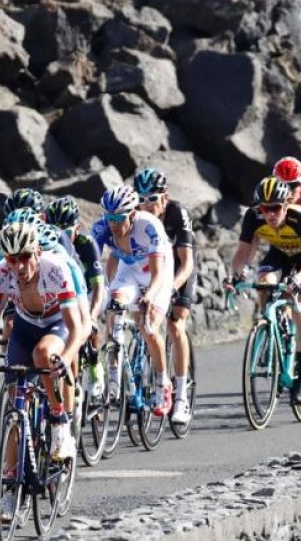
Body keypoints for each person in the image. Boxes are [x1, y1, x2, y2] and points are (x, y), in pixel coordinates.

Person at [0, 221, 84, 472]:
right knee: (16, 403)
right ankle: (10, 481)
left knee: (42, 353)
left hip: (57, 324)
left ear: (38, 252)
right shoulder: (0, 274)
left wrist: (64, 358)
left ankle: (59, 420)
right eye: (12, 259)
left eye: (25, 257)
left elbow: (76, 329)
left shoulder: (55, 269)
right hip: (26, 326)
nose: (19, 267)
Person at [226, 176, 301, 406]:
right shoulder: (253, 217)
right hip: (279, 253)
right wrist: (235, 276)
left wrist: (296, 280)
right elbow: (243, 252)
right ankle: (271, 324)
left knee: (299, 312)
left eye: (276, 208)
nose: (270, 214)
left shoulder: (300, 219)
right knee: (264, 280)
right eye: (265, 209)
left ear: (286, 205)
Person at [91, 185, 176, 417]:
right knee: (114, 308)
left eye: (118, 218)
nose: (113, 224)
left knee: (148, 327)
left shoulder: (149, 226)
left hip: (157, 272)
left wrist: (148, 296)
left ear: (132, 213)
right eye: (109, 218)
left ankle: (163, 383)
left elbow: (158, 275)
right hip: (129, 271)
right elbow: (92, 266)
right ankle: (114, 377)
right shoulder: (101, 229)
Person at [133, 167, 196, 426]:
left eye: (153, 199)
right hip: (152, 270)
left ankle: (180, 397)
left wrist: (170, 289)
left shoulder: (177, 213)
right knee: (142, 320)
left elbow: (187, 263)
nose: (146, 205)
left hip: (178, 270)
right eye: (141, 199)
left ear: (165, 198)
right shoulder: (135, 218)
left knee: (175, 324)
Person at [45, 196, 107, 396]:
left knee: (89, 323)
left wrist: (93, 315)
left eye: (65, 229)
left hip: (88, 291)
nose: (59, 233)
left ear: (77, 228)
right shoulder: (47, 243)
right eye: (55, 227)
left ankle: (95, 365)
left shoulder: (86, 244)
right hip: (65, 294)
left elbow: (98, 287)